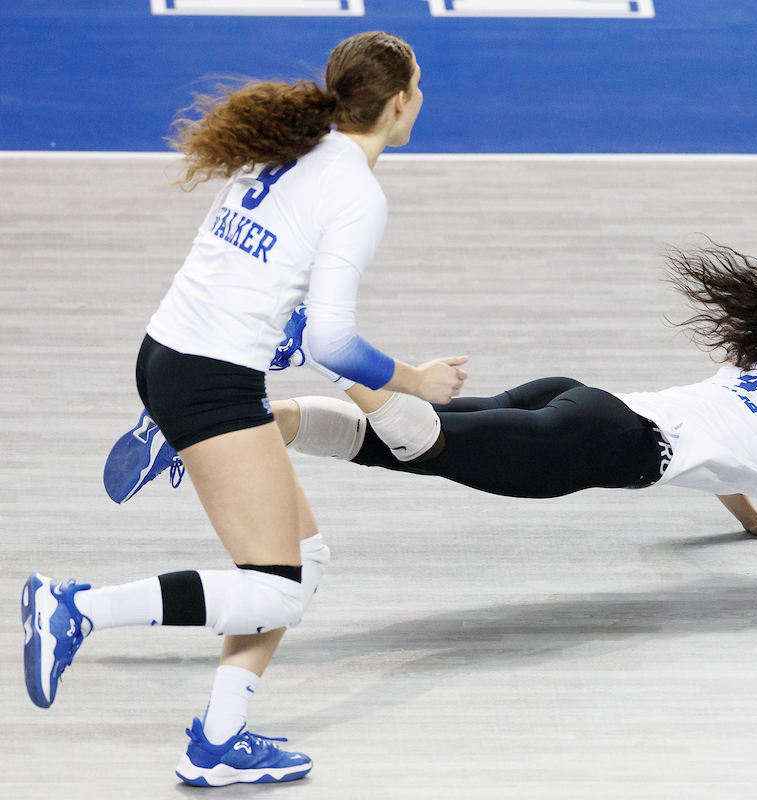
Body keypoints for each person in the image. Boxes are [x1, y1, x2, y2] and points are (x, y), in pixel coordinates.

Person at [22, 31, 466, 787]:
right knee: (275, 586)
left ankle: (218, 741)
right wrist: (414, 383)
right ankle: (76, 608)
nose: (419, 98)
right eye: (417, 88)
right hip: (208, 381)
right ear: (398, 102)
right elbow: (334, 338)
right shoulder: (356, 192)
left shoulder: (293, 143)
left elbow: (281, 296)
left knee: (302, 565)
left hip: (171, 352)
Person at [117, 243, 757, 556]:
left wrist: (754, 516)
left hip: (583, 401)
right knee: (407, 442)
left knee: (418, 441)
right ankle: (271, 400)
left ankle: (261, 411)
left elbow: (721, 445)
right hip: (593, 443)